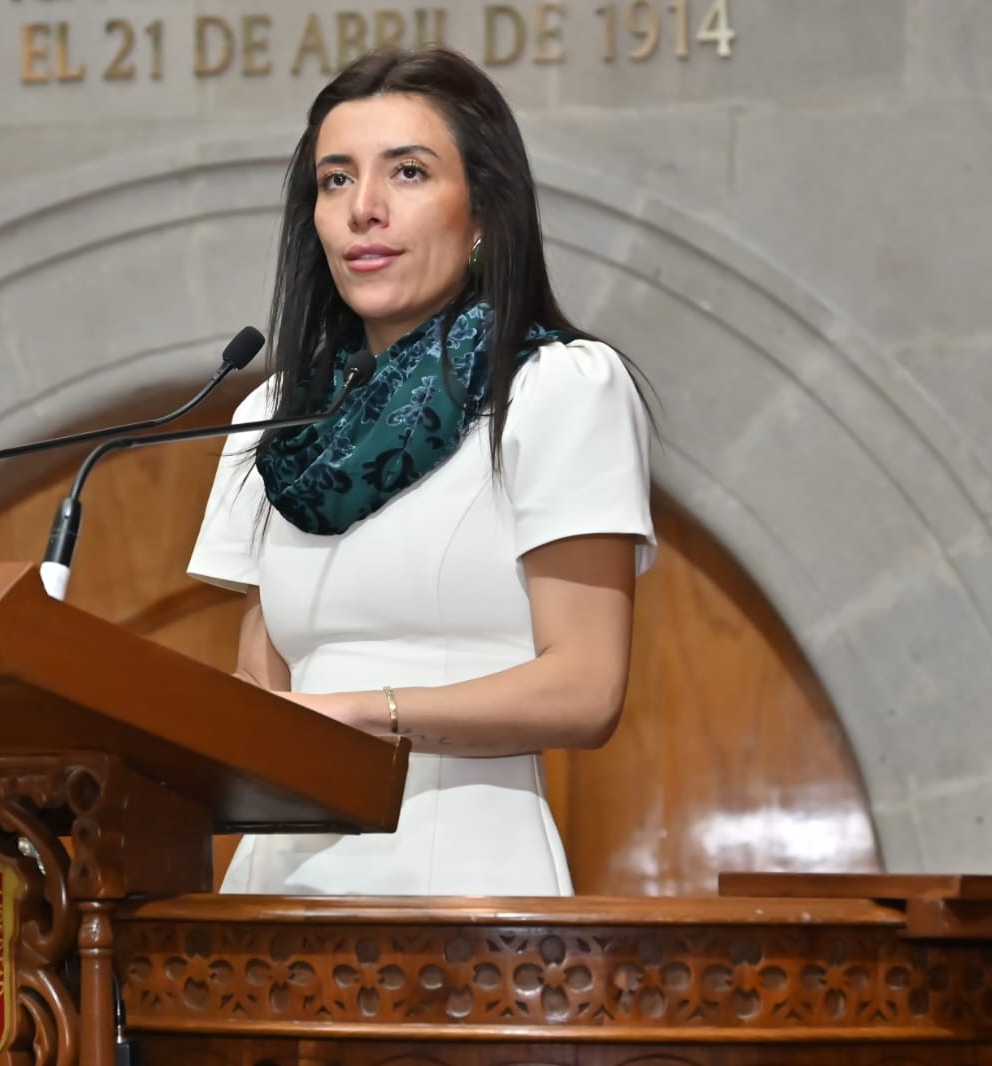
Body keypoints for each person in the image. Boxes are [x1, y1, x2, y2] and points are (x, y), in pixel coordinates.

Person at [186, 47, 655, 896]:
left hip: (465, 882)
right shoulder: (275, 415)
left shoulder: (558, 388)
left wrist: (363, 713)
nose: (363, 208)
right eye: (335, 179)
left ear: (483, 215)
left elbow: (587, 689)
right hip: (274, 891)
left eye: (407, 172)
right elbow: (263, 683)